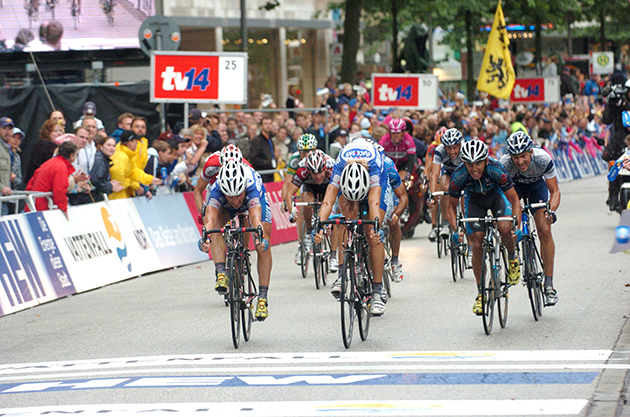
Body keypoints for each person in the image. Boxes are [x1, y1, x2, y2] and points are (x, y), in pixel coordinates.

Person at [313, 138, 388, 316]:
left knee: (372, 233)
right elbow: (327, 202)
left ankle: (377, 291)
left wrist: (376, 227)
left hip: (373, 183)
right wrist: (319, 227)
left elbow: (374, 203)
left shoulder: (375, 169)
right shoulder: (339, 168)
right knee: (345, 220)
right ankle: (342, 274)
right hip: (349, 181)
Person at [445, 140, 522, 316]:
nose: (474, 169)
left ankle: (512, 258)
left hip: (497, 197)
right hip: (474, 200)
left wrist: (515, 225)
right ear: (464, 163)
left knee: (504, 226)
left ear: (486, 161)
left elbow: (515, 200)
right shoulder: (459, 176)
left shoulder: (497, 170)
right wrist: (457, 229)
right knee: (477, 243)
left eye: (478, 163)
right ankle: (481, 293)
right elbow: (450, 207)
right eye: (470, 164)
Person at [198, 160, 272, 320]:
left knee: (263, 242)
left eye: (238, 195)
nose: (235, 200)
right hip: (225, 206)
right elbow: (209, 218)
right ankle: (221, 272)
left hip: (254, 203)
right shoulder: (217, 189)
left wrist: (260, 236)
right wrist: (206, 237)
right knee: (215, 226)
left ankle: (263, 298)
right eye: (230, 196)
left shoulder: (251, 186)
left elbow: (254, 216)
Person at [500, 131, 560, 306]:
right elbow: (502, 195)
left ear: (531, 152)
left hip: (536, 188)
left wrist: (551, 210)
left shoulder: (543, 159)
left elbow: (554, 191)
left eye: (523, 156)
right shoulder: (504, 164)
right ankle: (514, 255)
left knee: (544, 228)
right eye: (516, 157)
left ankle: (549, 284)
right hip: (514, 190)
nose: (520, 161)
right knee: (509, 226)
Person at [281, 133, 318, 266]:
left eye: (309, 151)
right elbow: (287, 184)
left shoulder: (319, 158)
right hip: (303, 183)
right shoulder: (295, 160)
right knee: (302, 207)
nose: (306, 154)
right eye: (303, 152)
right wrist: (286, 201)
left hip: (319, 184)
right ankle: (301, 246)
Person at [428, 128, 464, 243]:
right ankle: (445, 223)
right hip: (447, 171)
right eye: (449, 148)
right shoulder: (439, 150)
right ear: (444, 147)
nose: (452, 151)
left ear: (460, 145)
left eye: (455, 148)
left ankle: (464, 221)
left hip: (463, 173)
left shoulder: (465, 150)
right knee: (444, 187)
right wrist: (432, 195)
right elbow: (434, 174)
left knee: (465, 193)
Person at [25, 141, 78, 218]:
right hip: (43, 206)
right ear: (71, 155)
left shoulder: (50, 162)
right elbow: (59, 189)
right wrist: (63, 208)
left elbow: (32, 180)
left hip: (33, 203)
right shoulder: (61, 167)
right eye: (76, 154)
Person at [109, 130, 162, 199]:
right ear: (130, 143)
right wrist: (136, 186)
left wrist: (150, 179)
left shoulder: (128, 155)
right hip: (118, 196)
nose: (137, 144)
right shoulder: (121, 157)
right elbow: (120, 180)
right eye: (136, 141)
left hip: (123, 194)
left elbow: (134, 172)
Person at [23, 119, 64, 187]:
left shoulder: (44, 145)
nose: (59, 133)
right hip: (36, 185)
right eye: (55, 131)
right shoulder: (46, 146)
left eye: (60, 131)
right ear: (48, 132)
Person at [90, 136, 124, 201]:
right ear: (101, 147)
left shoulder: (104, 160)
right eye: (108, 145)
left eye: (114, 146)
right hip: (92, 196)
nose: (111, 148)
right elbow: (96, 180)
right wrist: (110, 186)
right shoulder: (99, 160)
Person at [249, 116, 276, 183]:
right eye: (265, 124)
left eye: (270, 124)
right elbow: (253, 158)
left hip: (270, 172)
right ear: (261, 126)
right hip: (261, 173)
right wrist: (266, 163)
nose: (268, 126)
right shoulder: (257, 141)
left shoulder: (270, 140)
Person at [0, 117, 14, 215]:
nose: (7, 131)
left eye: (10, 128)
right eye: (4, 128)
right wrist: (1, 188)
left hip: (4, 200)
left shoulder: (7, 148)